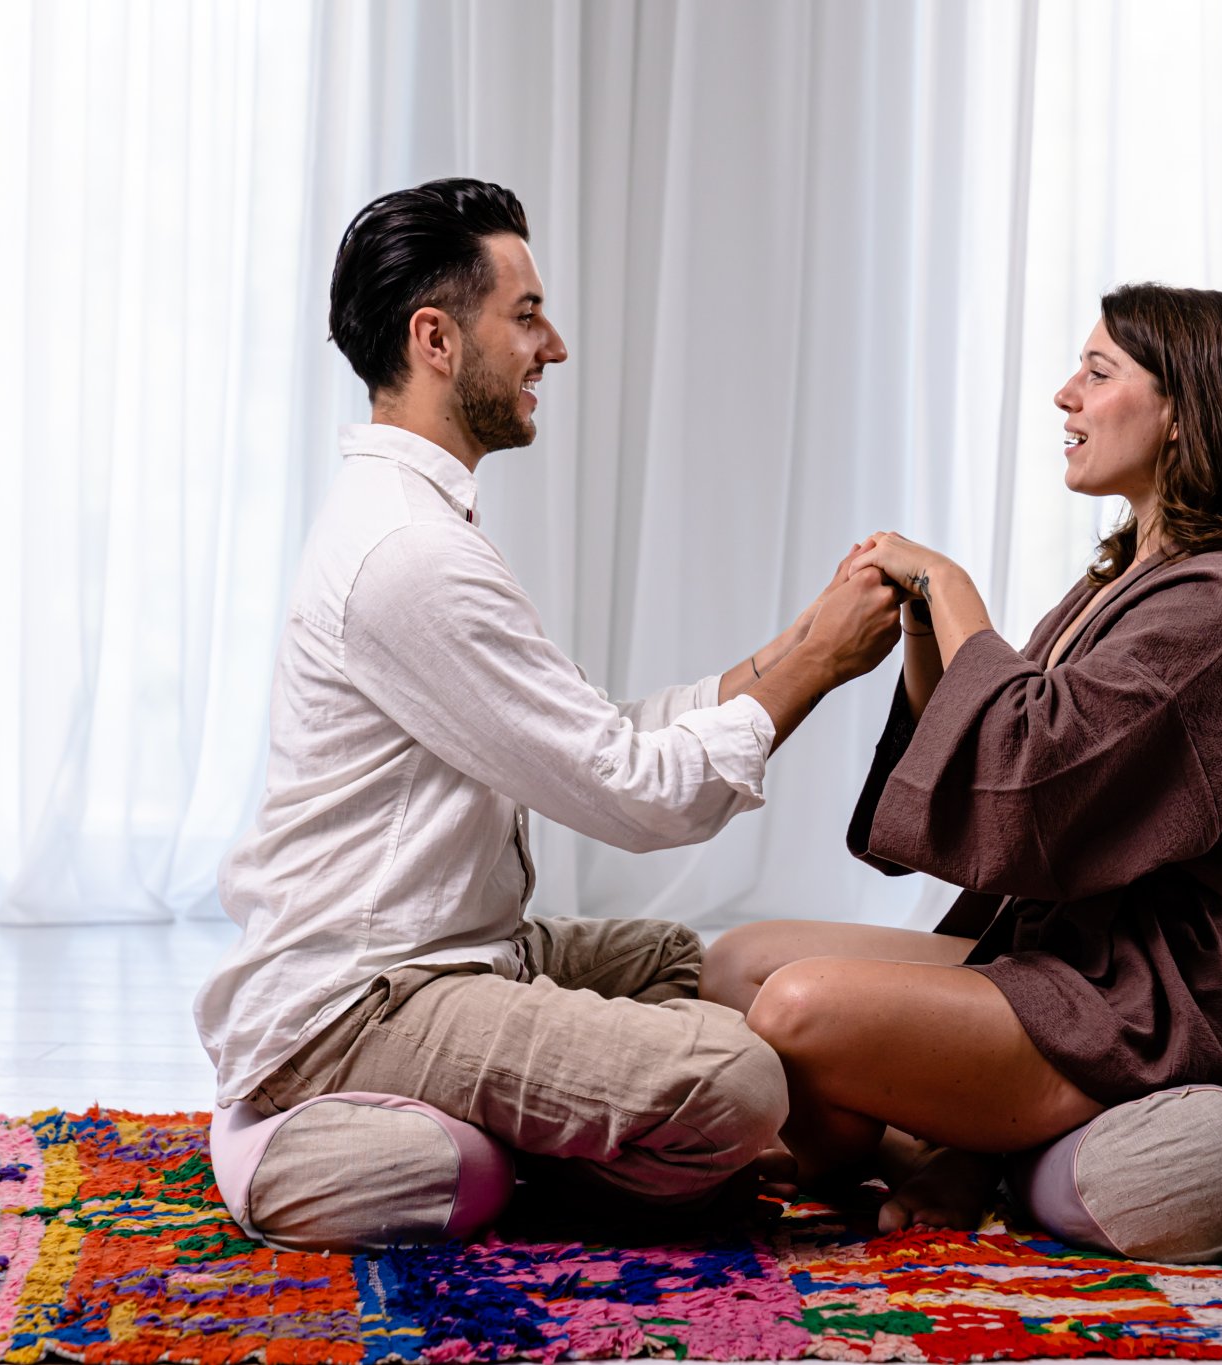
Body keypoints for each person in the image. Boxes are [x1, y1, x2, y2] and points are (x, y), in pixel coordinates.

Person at [193, 178, 902, 1227]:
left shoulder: (418, 521)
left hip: (460, 957)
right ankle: (492, 1159)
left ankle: (543, 1139)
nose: (554, 346)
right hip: (360, 1005)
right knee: (737, 1078)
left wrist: (804, 641)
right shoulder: (410, 554)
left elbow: (596, 736)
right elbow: (636, 795)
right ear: (436, 339)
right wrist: (823, 665)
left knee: (689, 965)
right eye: (525, 315)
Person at [699, 283, 1222, 1232]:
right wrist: (924, 625)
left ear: (1182, 413)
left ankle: (953, 1153)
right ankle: (944, 1152)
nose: (1066, 393)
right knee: (738, 962)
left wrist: (950, 586)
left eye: (1099, 372)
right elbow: (984, 737)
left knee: (794, 1008)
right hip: (1058, 952)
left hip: (1143, 993)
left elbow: (1038, 766)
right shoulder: (1127, 577)